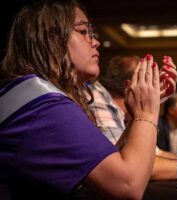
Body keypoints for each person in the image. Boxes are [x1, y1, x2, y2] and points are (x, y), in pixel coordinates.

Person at [0, 1, 165, 199]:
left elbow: (104, 167)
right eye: (83, 31)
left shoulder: (35, 98)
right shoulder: (45, 107)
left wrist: (134, 116)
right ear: (51, 38)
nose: (95, 41)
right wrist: (147, 112)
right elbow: (128, 185)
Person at [89, 56, 177, 180]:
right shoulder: (97, 101)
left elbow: (154, 154)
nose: (155, 87)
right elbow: (131, 167)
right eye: (150, 79)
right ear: (131, 85)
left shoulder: (122, 109)